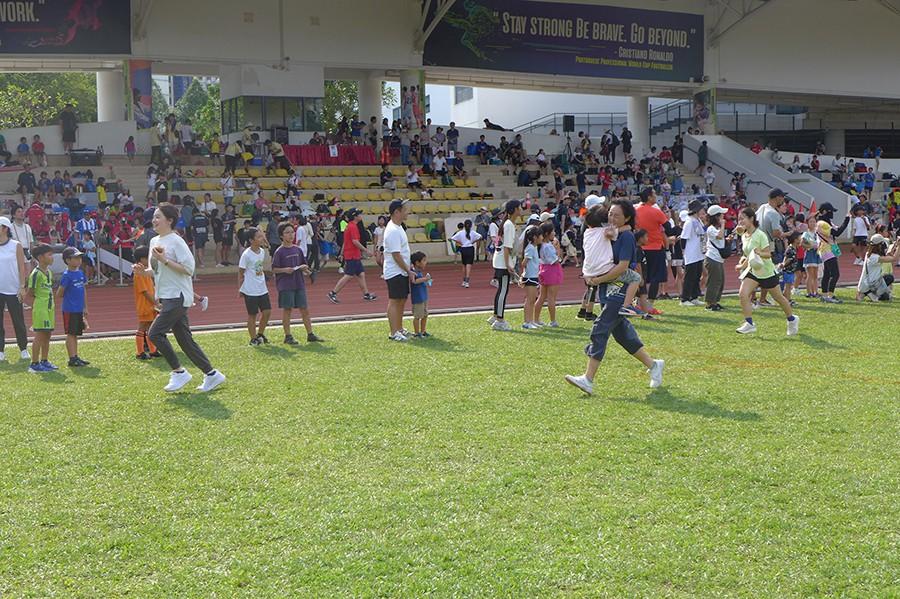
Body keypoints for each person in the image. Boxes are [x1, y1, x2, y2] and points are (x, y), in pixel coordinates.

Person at [565, 200, 665, 396]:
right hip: (606, 287)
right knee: (622, 334)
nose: (611, 218)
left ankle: (588, 379)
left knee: (601, 328)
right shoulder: (611, 232)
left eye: (616, 215)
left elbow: (623, 267)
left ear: (626, 218)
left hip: (619, 288)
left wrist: (597, 279)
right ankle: (654, 365)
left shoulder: (626, 237)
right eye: (610, 214)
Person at [143, 205, 226, 393]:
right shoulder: (154, 240)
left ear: (170, 220)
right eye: (154, 217)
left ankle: (179, 372)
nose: (154, 220)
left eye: (158, 217)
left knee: (155, 333)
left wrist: (165, 260)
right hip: (166, 296)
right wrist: (143, 272)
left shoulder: (176, 241)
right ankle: (212, 374)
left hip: (178, 296)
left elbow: (189, 269)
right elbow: (155, 270)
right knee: (185, 340)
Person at [734, 208, 800, 335]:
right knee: (743, 294)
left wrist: (760, 252)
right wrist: (742, 264)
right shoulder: (744, 236)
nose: (740, 221)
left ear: (751, 219)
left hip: (767, 272)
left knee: (779, 298)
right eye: (739, 219)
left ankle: (792, 319)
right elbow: (749, 255)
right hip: (753, 271)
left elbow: (768, 254)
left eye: (742, 218)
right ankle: (749, 323)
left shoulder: (760, 235)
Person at [271, 222, 323, 345]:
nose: (291, 235)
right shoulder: (279, 252)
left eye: (292, 232)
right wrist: (285, 270)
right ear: (281, 236)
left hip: (299, 283)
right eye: (287, 233)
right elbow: (274, 269)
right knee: (287, 310)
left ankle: (310, 334)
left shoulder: (298, 249)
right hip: (286, 285)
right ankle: (288, 336)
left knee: (304, 309)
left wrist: (307, 270)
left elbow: (303, 265)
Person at [328, 209, 377, 303]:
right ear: (355, 216)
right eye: (359, 214)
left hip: (353, 254)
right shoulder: (353, 227)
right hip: (352, 255)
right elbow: (355, 241)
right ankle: (333, 293)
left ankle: (366, 294)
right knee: (348, 275)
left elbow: (345, 242)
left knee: (361, 274)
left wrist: (342, 253)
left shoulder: (349, 226)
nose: (360, 216)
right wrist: (366, 250)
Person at [489, 200, 522, 331]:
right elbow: (507, 247)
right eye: (519, 208)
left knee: (501, 290)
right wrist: (508, 264)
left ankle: (495, 316)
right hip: (503, 263)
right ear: (514, 210)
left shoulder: (507, 224)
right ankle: (500, 320)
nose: (521, 210)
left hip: (501, 261)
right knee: (503, 290)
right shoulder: (509, 225)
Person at [0, 216, 30, 363]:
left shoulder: (15, 245)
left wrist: (22, 286)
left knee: (18, 320)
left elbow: (21, 267)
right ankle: (0, 351)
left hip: (13, 289)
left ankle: (23, 348)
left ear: (5, 228)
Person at [383, 199, 413, 341]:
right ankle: (394, 332)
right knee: (394, 301)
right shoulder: (393, 230)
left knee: (402, 299)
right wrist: (408, 270)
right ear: (396, 212)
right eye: (404, 210)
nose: (407, 212)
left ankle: (399, 328)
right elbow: (396, 255)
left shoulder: (398, 227)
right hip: (395, 271)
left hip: (401, 271)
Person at [25, 244, 57, 373]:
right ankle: (34, 363)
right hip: (41, 308)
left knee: (47, 334)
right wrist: (39, 303)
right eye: (49, 255)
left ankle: (44, 360)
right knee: (40, 335)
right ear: (40, 257)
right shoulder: (36, 274)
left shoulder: (49, 272)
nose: (52, 257)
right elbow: (30, 292)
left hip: (50, 308)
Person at [56, 247, 90, 368]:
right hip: (70, 309)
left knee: (75, 333)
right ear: (67, 260)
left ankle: (75, 356)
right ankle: (72, 358)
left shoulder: (80, 273)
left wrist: (85, 307)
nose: (79, 260)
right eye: (75, 258)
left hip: (78, 309)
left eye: (79, 257)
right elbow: (59, 293)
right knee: (71, 333)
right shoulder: (67, 275)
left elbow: (83, 290)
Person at [238, 227, 272, 346]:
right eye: (258, 237)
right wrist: (240, 288)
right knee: (252, 314)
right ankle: (253, 339)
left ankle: (260, 334)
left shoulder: (262, 251)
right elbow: (241, 272)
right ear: (251, 240)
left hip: (262, 288)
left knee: (267, 312)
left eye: (261, 236)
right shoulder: (246, 255)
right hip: (250, 289)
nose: (261, 238)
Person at [816, 203, 850, 304]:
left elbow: (837, 230)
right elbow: (837, 233)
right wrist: (846, 220)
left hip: (829, 249)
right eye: (830, 211)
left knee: (827, 273)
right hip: (826, 250)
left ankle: (825, 295)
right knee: (835, 274)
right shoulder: (822, 223)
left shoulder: (828, 222)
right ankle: (829, 295)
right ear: (824, 211)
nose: (832, 214)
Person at [132, 246, 159, 360]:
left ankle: (153, 350)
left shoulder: (145, 270)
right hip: (144, 304)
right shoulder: (139, 272)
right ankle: (140, 352)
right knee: (142, 327)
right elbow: (144, 291)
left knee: (150, 327)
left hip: (150, 304)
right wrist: (156, 303)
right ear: (142, 259)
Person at [680, 200, 706, 306]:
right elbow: (683, 238)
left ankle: (694, 297)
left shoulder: (697, 221)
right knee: (689, 277)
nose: (702, 211)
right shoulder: (689, 222)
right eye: (700, 209)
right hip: (691, 254)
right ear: (696, 210)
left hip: (698, 253)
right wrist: (684, 252)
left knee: (696, 276)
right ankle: (684, 299)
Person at [857, 234, 899, 301]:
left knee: (885, 297)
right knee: (889, 278)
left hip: (869, 282)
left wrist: (896, 245)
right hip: (869, 284)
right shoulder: (874, 257)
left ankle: (869, 293)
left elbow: (888, 254)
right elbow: (894, 259)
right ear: (879, 245)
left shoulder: (869, 254)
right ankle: (866, 293)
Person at [704, 205, 729, 311]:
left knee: (720, 281)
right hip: (712, 258)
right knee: (714, 281)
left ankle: (715, 301)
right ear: (716, 217)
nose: (723, 217)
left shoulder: (716, 228)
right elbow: (719, 236)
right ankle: (710, 303)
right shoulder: (711, 229)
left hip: (717, 259)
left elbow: (720, 239)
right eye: (721, 215)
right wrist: (723, 225)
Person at [519, 226, 543, 330]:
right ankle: (527, 322)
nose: (542, 237)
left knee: (533, 299)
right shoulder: (530, 248)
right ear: (534, 237)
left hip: (534, 276)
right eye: (540, 235)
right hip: (530, 277)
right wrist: (523, 274)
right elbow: (524, 263)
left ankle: (531, 320)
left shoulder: (534, 247)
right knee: (530, 300)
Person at [450, 219, 481, 287]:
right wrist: (473, 241)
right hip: (470, 248)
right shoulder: (473, 232)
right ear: (471, 225)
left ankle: (464, 281)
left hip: (463, 248)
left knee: (464, 265)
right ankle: (467, 281)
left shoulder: (461, 232)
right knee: (468, 265)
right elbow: (480, 237)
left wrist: (461, 242)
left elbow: (452, 238)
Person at [409, 251, 432, 338]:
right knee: (418, 316)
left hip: (423, 296)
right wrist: (425, 279)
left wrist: (426, 281)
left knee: (425, 315)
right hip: (418, 298)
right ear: (417, 262)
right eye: (424, 260)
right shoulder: (413, 272)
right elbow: (414, 281)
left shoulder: (419, 272)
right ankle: (416, 333)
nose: (426, 262)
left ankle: (423, 331)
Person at [780, 231, 802, 305]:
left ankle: (787, 299)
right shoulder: (791, 249)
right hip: (788, 271)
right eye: (799, 238)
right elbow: (787, 258)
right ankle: (787, 300)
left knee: (788, 285)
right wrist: (783, 264)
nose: (801, 240)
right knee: (788, 286)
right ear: (795, 240)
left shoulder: (794, 248)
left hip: (791, 271)